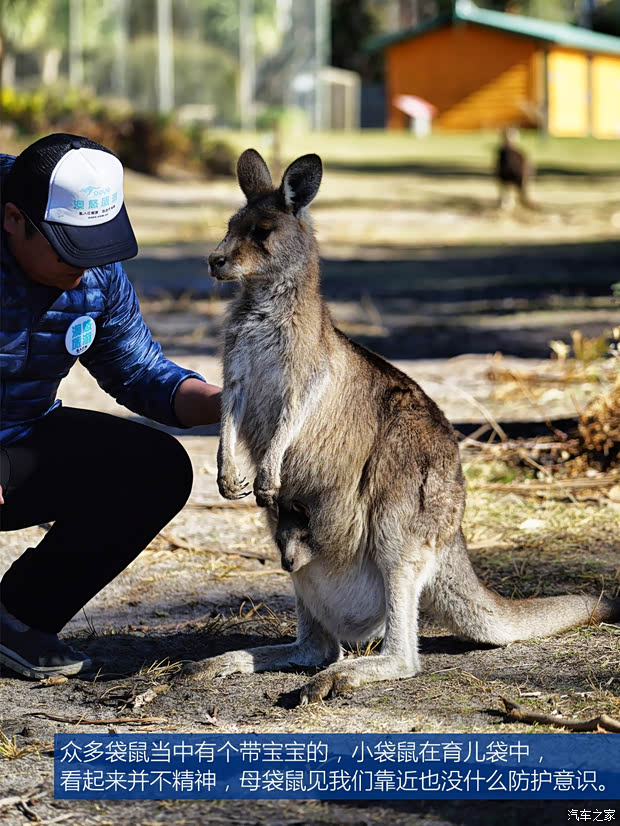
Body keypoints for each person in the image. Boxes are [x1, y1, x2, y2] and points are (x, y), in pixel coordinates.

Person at [0, 133, 221, 680]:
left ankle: (15, 620)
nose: (84, 266)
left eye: (97, 247)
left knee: (156, 468)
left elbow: (141, 374)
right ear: (13, 219)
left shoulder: (95, 275)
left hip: (18, 440)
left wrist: (236, 404)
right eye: (68, 248)